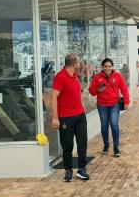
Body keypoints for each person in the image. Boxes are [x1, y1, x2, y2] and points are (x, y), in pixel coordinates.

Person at [51, 53, 90, 182]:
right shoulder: (60, 77)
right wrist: (55, 118)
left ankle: (81, 169)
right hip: (66, 118)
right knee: (67, 145)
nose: (80, 64)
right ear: (74, 63)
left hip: (80, 115)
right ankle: (68, 171)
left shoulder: (74, 75)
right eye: (79, 62)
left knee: (82, 142)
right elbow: (53, 97)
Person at [88, 58, 130, 157]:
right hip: (102, 105)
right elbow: (91, 91)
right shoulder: (97, 77)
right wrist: (97, 90)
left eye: (109, 66)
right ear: (102, 67)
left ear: (112, 67)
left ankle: (116, 148)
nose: (107, 68)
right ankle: (106, 145)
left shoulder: (117, 76)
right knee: (104, 126)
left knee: (114, 125)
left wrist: (126, 102)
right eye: (106, 66)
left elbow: (124, 89)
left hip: (114, 105)